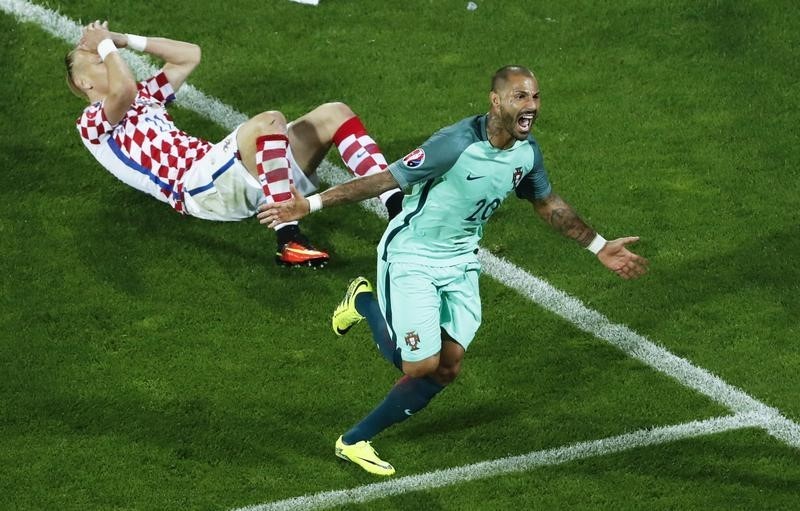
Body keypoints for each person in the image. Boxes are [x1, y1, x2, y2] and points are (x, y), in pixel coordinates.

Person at [259, 65, 649, 475]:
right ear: (495, 101)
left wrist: (599, 246)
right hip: (412, 255)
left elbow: (546, 202)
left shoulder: (527, 152)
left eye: (535, 97)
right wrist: (311, 204)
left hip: (461, 260)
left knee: (447, 368)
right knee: (418, 366)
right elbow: (383, 180)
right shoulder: (454, 144)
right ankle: (365, 300)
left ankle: (353, 440)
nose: (531, 107)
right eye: (521, 97)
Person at [65, 21, 402, 267]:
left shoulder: (145, 99)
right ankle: (289, 236)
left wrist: (121, 39)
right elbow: (122, 90)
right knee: (268, 121)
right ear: (83, 81)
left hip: (227, 173)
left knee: (334, 114)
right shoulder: (92, 123)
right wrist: (105, 46)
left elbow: (188, 55)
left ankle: (397, 206)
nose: (107, 61)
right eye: (98, 62)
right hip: (197, 187)